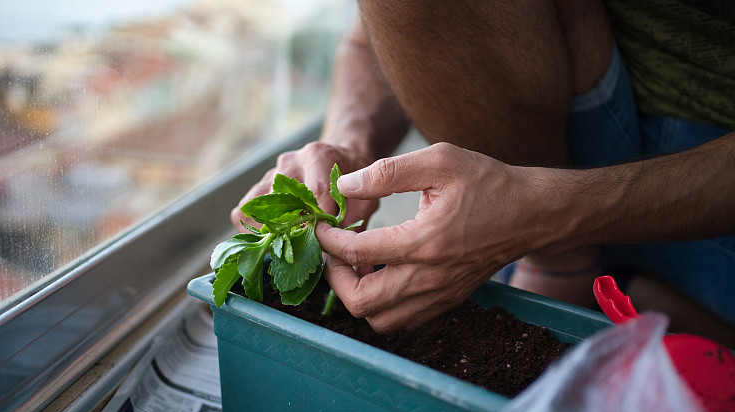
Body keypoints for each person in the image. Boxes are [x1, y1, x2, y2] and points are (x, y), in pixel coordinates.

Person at [232, 0, 735, 346]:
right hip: (576, 127)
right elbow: (375, 39)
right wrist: (350, 143)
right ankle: (603, 280)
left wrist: (546, 218)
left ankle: (605, 280)